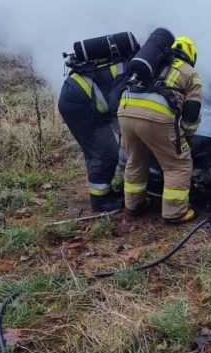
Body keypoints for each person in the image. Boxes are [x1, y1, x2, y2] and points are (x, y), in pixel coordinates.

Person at [118, 36, 202, 223]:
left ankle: (134, 205)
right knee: (177, 165)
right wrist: (185, 135)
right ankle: (175, 213)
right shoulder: (190, 72)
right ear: (191, 54)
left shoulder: (154, 64)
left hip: (125, 112)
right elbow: (191, 113)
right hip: (155, 118)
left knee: (135, 160)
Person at [58, 45, 134, 214]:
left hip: (78, 98)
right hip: (78, 103)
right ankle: (100, 202)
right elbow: (115, 102)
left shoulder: (126, 61)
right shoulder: (129, 68)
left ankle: (104, 192)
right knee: (105, 151)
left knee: (97, 150)